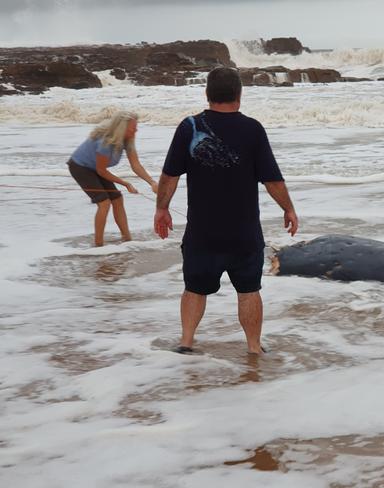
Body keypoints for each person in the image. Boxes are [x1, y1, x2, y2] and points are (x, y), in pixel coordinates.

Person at [154, 67, 298, 355]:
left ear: (207, 94)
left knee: (194, 288)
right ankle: (254, 347)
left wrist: (162, 209)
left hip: (202, 232)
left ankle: (186, 342)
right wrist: (289, 209)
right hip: (243, 232)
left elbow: (170, 175)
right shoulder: (252, 129)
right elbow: (272, 179)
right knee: (248, 291)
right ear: (239, 95)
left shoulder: (189, 127)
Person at [67, 111, 158, 246]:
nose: (136, 129)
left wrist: (152, 182)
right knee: (104, 203)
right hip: (80, 167)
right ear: (123, 128)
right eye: (133, 127)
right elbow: (101, 170)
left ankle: (127, 239)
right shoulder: (105, 142)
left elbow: (136, 165)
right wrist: (125, 183)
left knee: (117, 199)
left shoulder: (128, 140)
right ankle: (98, 245)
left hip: (95, 168)